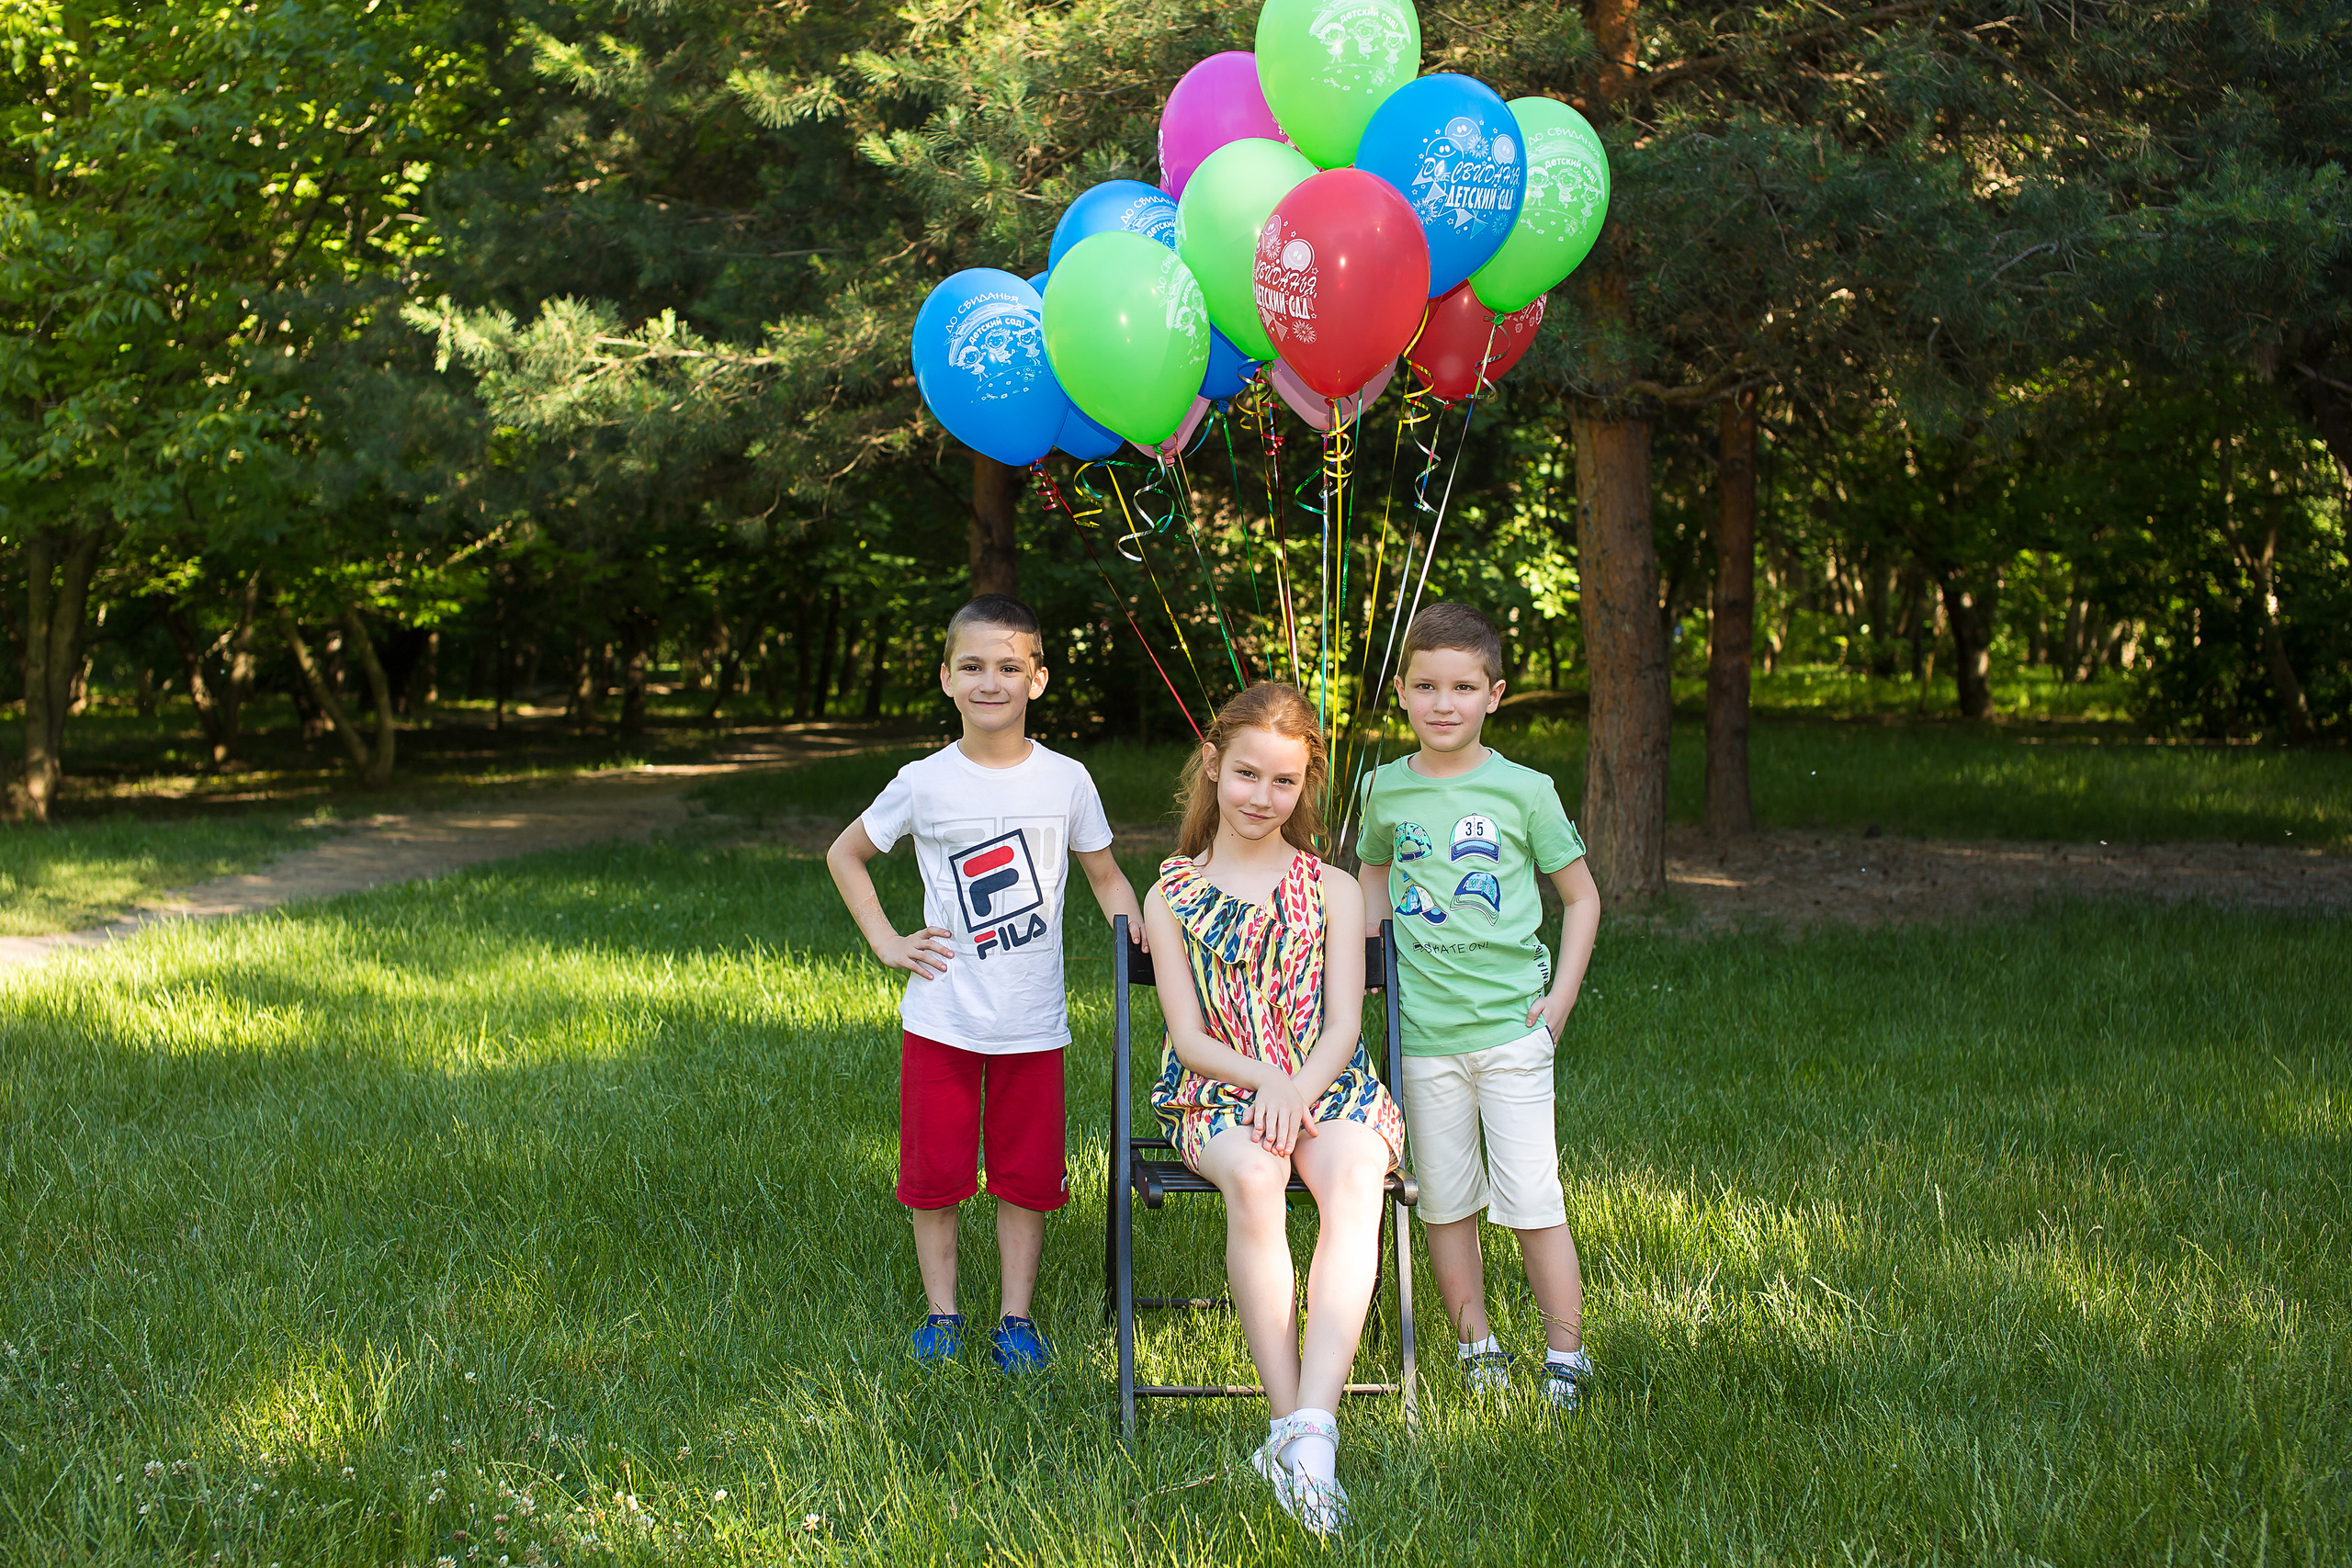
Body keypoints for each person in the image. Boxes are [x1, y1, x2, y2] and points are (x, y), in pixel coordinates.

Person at [825, 593, 1145, 1372]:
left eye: (1009, 666)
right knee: (933, 1178)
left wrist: (1140, 939)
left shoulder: (1066, 780)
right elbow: (846, 853)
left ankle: (1015, 1319)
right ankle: (942, 1313)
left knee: (1026, 1179)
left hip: (1034, 1022)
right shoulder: (924, 780)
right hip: (943, 1019)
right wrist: (885, 939)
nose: (990, 681)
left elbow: (1105, 876)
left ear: (1037, 679)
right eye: (972, 666)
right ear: (946, 677)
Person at [1143, 682, 1403, 1539]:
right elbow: (1187, 1037)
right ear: (1214, 765)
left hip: (1330, 1080)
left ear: (1306, 788)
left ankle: (1310, 1437)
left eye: (1284, 782)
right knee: (1256, 1178)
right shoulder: (1172, 897)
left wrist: (1298, 1085)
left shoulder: (1332, 888)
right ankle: (1287, 1421)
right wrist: (1269, 1082)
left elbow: (1346, 1022)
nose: (1262, 796)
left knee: (1358, 1174)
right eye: (1247, 773)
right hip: (1219, 1087)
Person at [1354, 602, 1603, 1411]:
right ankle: (1476, 1346)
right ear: (1401, 691)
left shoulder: (1525, 790)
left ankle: (1566, 1354)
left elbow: (1582, 896)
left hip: (1511, 1032)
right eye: (1426, 685)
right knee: (1446, 1200)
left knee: (1533, 1197)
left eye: (1463, 687)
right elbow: (1371, 875)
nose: (1444, 703)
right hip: (1423, 1038)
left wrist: (1560, 997)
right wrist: (1367, 956)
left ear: (1494, 694)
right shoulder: (1384, 788)